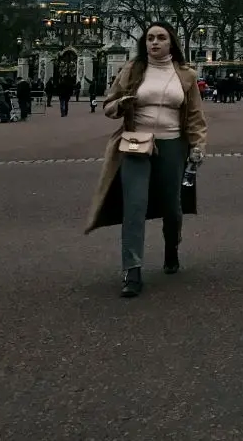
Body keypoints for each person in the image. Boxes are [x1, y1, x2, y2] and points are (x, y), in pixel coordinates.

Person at [84, 22, 208, 298]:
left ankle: (171, 247)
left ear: (171, 43)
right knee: (135, 206)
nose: (155, 42)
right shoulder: (132, 70)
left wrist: (198, 145)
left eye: (161, 38)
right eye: (150, 38)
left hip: (173, 144)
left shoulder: (186, 75)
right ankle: (132, 270)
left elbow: (196, 117)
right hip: (136, 143)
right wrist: (121, 105)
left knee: (172, 207)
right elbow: (109, 106)